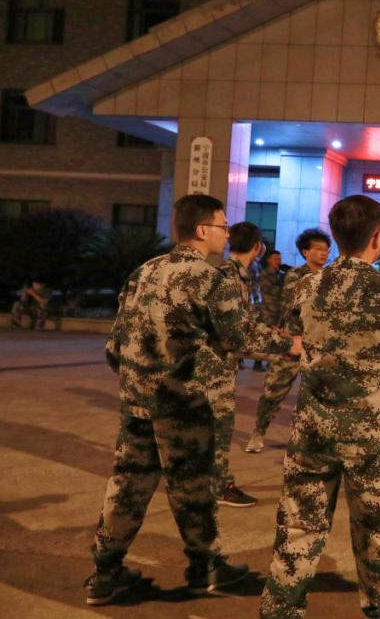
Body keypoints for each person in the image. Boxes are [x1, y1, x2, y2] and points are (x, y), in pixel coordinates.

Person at [85, 194, 297, 606]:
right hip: (185, 403)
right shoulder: (210, 277)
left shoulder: (143, 272)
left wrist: (140, 380)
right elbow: (240, 336)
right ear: (203, 230)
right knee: (194, 489)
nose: (226, 235)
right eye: (223, 226)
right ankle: (206, 568)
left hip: (138, 404)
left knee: (126, 487)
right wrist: (291, 344)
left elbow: (115, 347)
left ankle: (105, 573)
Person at [261, 195, 380, 619]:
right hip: (370, 434)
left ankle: (280, 610)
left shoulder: (306, 286)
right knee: (374, 525)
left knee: (299, 525)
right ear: (378, 237)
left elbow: (294, 337)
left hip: (313, 428)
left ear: (335, 236)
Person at [246, 228, 331, 453]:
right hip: (291, 342)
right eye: (318, 249)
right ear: (305, 252)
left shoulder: (330, 277)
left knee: (318, 395)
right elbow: (299, 304)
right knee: (273, 391)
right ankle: (258, 432)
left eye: (326, 249)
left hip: (318, 345)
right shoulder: (295, 275)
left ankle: (312, 439)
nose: (324, 253)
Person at [208, 221, 265, 509]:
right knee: (219, 428)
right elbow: (236, 332)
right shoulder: (229, 277)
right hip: (216, 366)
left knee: (215, 427)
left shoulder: (239, 274)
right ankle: (219, 487)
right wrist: (283, 346)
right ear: (258, 247)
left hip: (224, 363)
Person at [255, 250, 286, 371]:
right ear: (269, 260)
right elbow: (267, 289)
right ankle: (258, 362)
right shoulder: (264, 274)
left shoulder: (282, 274)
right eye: (275, 259)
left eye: (279, 259)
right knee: (263, 336)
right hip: (267, 310)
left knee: (276, 337)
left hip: (279, 310)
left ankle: (271, 362)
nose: (278, 261)